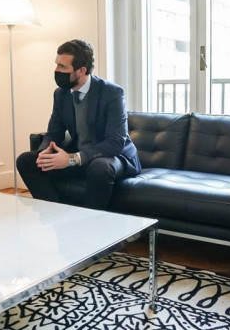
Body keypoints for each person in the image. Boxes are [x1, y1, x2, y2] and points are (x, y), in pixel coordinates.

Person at [16, 39, 141, 210]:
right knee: (26, 160)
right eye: (56, 65)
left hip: (113, 157)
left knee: (99, 167)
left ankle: (88, 226)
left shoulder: (112, 93)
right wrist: (44, 152)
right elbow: (54, 132)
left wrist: (73, 159)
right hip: (78, 157)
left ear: (81, 70)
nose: (56, 71)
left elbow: (115, 143)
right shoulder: (61, 94)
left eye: (63, 67)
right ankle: (56, 214)